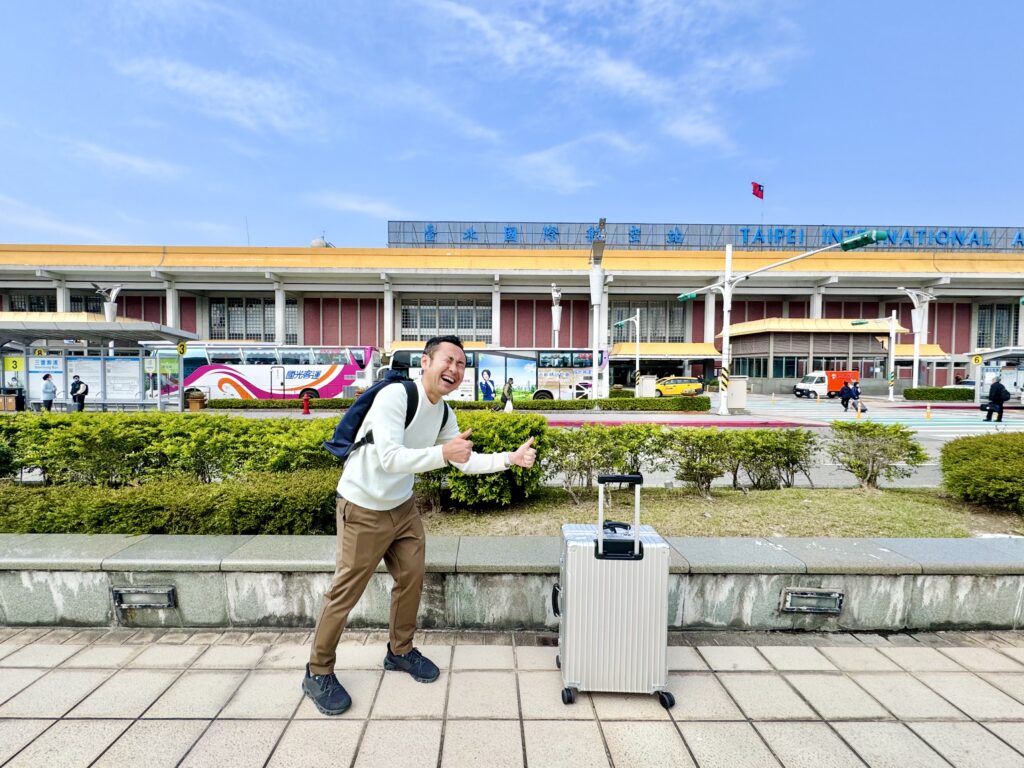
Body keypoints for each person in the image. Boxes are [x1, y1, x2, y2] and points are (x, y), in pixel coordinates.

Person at [303, 335, 537, 716]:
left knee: (411, 578)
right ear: (425, 363)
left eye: (462, 364)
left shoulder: (444, 413)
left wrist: (509, 459)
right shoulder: (395, 397)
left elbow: (464, 460)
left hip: (403, 508)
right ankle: (317, 671)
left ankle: (400, 651)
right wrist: (443, 453)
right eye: (448, 360)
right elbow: (391, 458)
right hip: (363, 506)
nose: (455, 370)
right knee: (346, 590)